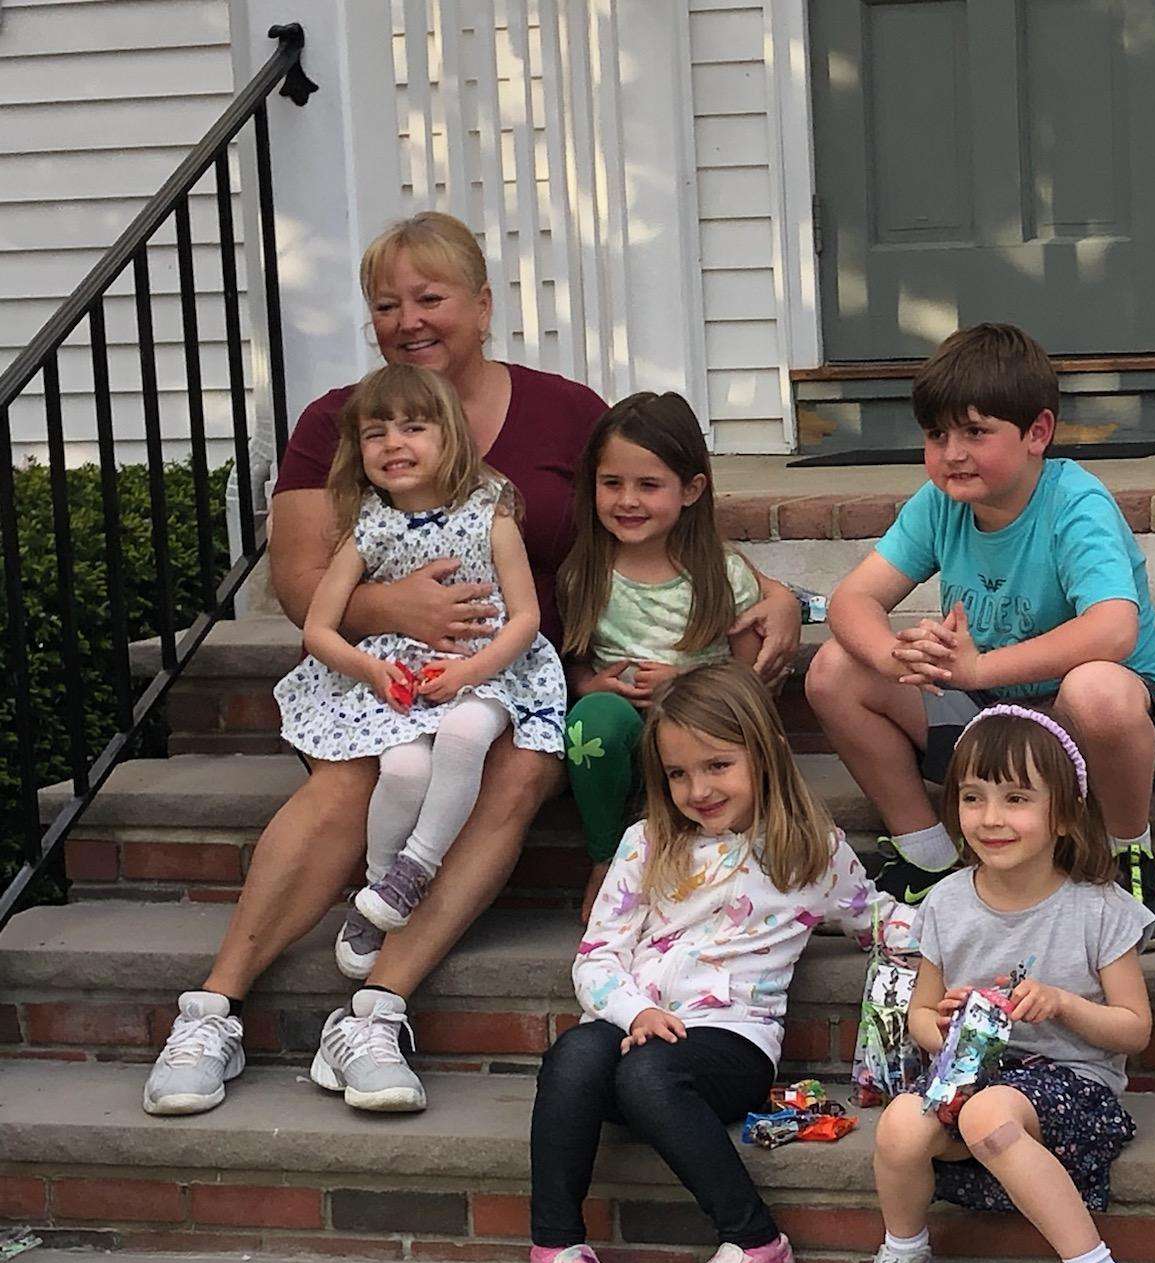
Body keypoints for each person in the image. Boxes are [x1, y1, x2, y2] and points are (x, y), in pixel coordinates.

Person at [140, 211, 801, 1119]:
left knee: (517, 773)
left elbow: (653, 515)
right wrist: (395, 612)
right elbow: (299, 584)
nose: (410, 319)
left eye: (431, 297)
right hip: (381, 678)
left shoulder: (565, 411)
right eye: (386, 304)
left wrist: (772, 589)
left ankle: (375, 1010)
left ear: (484, 305)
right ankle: (214, 1007)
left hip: (530, 680)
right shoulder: (339, 420)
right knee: (347, 790)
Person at [804, 323, 1155, 948]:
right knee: (836, 668)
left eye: (975, 433)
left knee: (1099, 689)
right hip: (989, 727)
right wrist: (895, 655)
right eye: (936, 435)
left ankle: (1127, 860)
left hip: (1096, 736)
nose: (952, 454)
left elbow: (1115, 629)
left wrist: (978, 669)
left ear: (1038, 433)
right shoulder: (938, 503)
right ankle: (927, 854)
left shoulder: (1075, 503)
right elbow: (853, 598)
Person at [527, 664, 886, 1263]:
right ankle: (557, 1248)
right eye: (678, 774)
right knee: (573, 1054)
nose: (698, 789)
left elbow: (880, 920)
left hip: (731, 1045)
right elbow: (597, 957)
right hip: (634, 1026)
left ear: (766, 752)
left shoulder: (810, 852)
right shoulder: (649, 844)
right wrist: (637, 1009)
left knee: (648, 1076)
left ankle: (755, 1243)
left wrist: (984, 923)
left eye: (718, 765)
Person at [268, 364, 566, 1108]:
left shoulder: (491, 509)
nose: (393, 443)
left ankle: (411, 873)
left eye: (413, 427)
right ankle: (376, 899)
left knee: (465, 736)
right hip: (399, 677)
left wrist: (475, 671)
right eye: (376, 433)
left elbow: (524, 616)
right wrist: (370, 672)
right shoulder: (367, 525)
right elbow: (318, 628)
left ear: (450, 437)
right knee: (401, 771)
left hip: (492, 672)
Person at [845, 707, 1155, 1263]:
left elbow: (1134, 1030)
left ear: (1064, 814)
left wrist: (1065, 1005)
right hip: (972, 1072)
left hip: (1073, 1089)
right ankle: (904, 1255)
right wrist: (948, 1019)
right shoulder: (948, 902)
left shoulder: (1097, 906)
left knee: (986, 1113)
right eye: (972, 797)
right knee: (902, 1123)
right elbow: (923, 1019)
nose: (991, 817)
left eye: (1016, 799)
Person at [556, 391, 764, 919]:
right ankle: (607, 860)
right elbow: (572, 664)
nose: (628, 500)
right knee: (591, 724)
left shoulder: (722, 574)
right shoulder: (584, 574)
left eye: (649, 485)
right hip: (620, 730)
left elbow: (750, 680)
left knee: (702, 736)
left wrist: (687, 682)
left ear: (691, 489)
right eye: (612, 483)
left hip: (700, 731)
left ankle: (702, 866)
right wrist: (589, 686)